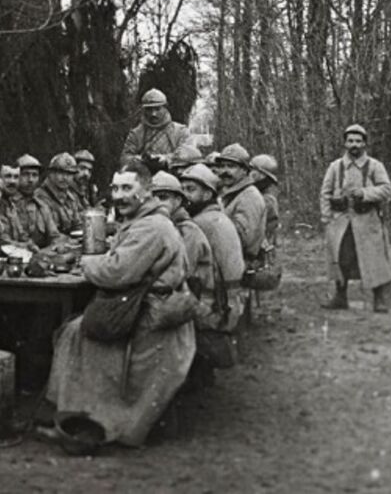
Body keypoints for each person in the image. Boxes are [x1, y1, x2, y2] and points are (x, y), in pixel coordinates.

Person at [45, 163, 196, 447]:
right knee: (75, 330)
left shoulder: (152, 226)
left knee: (78, 334)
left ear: (147, 192)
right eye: (115, 188)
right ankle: (76, 416)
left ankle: (95, 422)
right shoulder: (145, 221)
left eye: (127, 188)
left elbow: (117, 272)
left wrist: (86, 262)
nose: (119, 195)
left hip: (156, 321)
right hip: (152, 309)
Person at [319, 124, 391, 313]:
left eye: (358, 141)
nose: (354, 145)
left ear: (364, 144)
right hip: (341, 222)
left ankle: (379, 299)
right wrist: (326, 217)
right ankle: (340, 296)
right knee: (341, 259)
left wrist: (365, 193)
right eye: (350, 141)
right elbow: (325, 192)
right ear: (345, 143)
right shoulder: (335, 167)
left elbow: (387, 189)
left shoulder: (375, 166)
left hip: (367, 221)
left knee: (374, 260)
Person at [179, 163, 245, 330]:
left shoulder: (202, 223)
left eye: (191, 189)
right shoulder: (216, 217)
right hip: (227, 301)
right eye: (183, 189)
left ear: (207, 194)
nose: (184, 196)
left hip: (213, 303)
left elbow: (185, 266)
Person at [151, 171, 213, 298]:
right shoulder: (161, 226)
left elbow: (178, 275)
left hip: (190, 302)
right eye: (151, 198)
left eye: (163, 197)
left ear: (178, 200)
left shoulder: (187, 231)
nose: (156, 203)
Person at [215, 143, 267, 268]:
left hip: (242, 264)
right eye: (222, 166)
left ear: (244, 170)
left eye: (231, 166)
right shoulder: (228, 192)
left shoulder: (249, 197)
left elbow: (243, 238)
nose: (225, 171)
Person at [121, 88, 195, 167]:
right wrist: (139, 160)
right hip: (142, 175)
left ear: (165, 108)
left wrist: (167, 158)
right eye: (149, 109)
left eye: (157, 109)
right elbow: (124, 157)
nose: (153, 114)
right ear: (144, 110)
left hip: (174, 174)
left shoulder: (180, 131)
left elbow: (189, 153)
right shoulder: (136, 134)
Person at [14, 153, 62, 248]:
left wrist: (56, 246)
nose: (30, 179)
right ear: (16, 177)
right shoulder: (8, 204)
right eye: (25, 174)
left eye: (34, 175)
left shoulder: (41, 206)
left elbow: (54, 236)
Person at [35, 152, 84, 234]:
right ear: (51, 173)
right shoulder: (40, 197)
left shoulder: (70, 197)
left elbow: (77, 225)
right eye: (60, 172)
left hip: (67, 242)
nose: (65, 178)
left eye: (69, 174)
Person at [249, 154, 281, 250]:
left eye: (253, 171)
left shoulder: (267, 199)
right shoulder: (258, 192)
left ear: (262, 175)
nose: (250, 174)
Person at [0, 163, 27, 242]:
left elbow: (21, 234)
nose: (12, 181)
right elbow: (1, 239)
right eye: (8, 176)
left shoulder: (12, 205)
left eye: (16, 177)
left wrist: (31, 245)